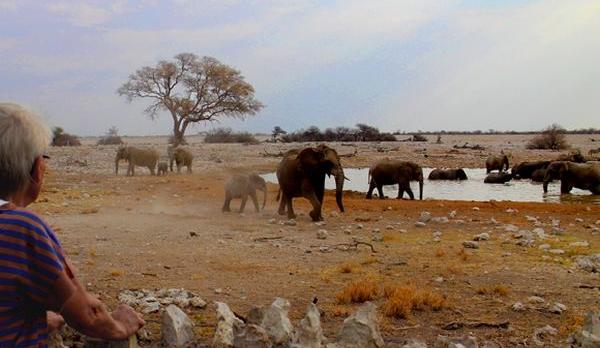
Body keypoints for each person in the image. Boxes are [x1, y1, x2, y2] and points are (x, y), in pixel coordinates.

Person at [0, 103, 145, 346]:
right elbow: (87, 316)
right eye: (43, 157)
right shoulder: (23, 229)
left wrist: (35, 318)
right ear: (37, 168)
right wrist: (121, 325)